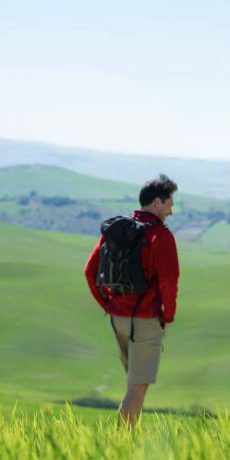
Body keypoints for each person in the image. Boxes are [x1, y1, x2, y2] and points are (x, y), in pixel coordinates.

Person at [84, 175, 180, 427]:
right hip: (146, 320)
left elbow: (89, 272)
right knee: (137, 388)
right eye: (169, 204)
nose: (171, 211)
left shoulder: (118, 230)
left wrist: (107, 305)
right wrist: (167, 317)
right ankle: (121, 444)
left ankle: (125, 438)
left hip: (118, 318)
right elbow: (169, 283)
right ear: (157, 203)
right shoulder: (161, 236)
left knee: (133, 385)